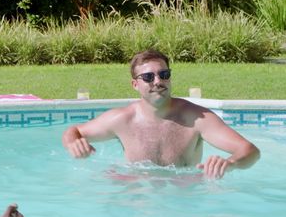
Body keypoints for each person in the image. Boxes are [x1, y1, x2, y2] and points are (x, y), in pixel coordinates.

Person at [62, 49, 260, 179]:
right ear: (135, 84)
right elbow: (73, 131)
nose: (158, 81)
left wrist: (230, 163)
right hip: (136, 199)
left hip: (184, 201)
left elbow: (250, 150)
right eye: (148, 77)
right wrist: (73, 142)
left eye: (164, 75)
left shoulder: (196, 118)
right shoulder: (122, 119)